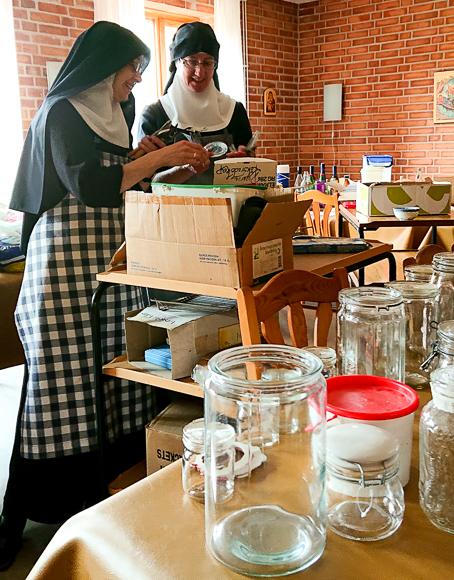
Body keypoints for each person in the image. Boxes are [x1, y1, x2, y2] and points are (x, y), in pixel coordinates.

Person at [0, 21, 210, 570]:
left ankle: (111, 486)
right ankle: (32, 508)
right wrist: (156, 159)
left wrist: (157, 160)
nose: (137, 78)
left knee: (118, 369)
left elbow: (124, 182)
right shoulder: (61, 111)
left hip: (111, 264)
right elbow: (92, 185)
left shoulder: (117, 112)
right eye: (133, 67)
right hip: (62, 267)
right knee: (58, 381)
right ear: (103, 65)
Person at [137, 21, 253, 185]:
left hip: (227, 201)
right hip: (171, 202)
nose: (200, 72)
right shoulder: (154, 115)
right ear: (177, 62)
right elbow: (144, 183)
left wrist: (248, 161)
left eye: (207, 63)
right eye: (192, 61)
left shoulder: (234, 111)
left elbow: (251, 173)